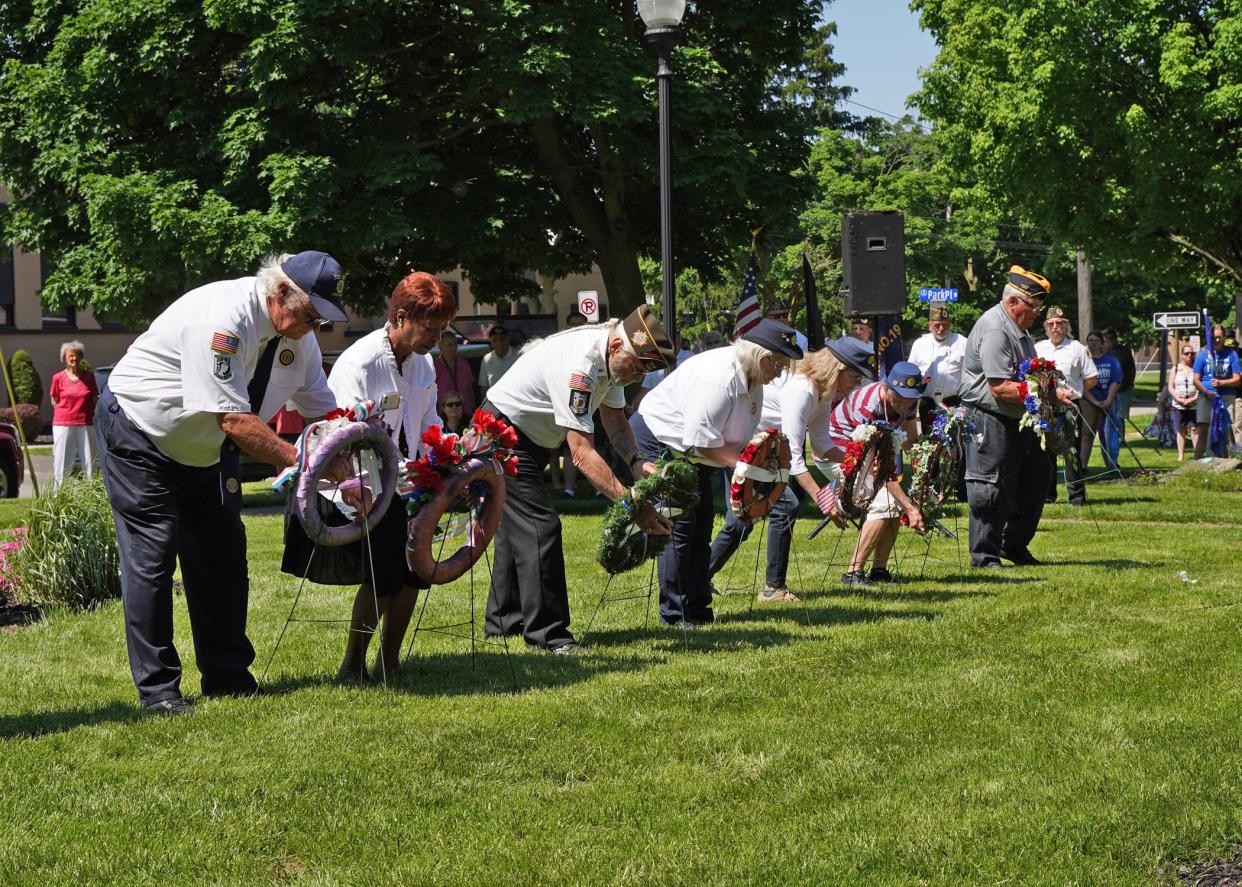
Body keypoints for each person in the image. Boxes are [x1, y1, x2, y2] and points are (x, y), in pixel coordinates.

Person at [95, 250, 348, 714]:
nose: (314, 328)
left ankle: (228, 676)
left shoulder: (300, 337)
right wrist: (305, 462)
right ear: (278, 294)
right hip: (140, 434)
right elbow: (233, 418)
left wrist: (345, 450)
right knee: (152, 560)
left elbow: (323, 409)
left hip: (209, 451)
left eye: (322, 321)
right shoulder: (222, 320)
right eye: (310, 315)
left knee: (223, 557)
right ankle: (159, 693)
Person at [282, 271, 454, 682]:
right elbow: (343, 436)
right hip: (360, 481)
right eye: (430, 328)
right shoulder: (360, 362)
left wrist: (446, 458)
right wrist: (390, 481)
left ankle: (389, 662)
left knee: (415, 570)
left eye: (442, 329)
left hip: (410, 480)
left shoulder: (424, 362)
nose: (436, 338)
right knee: (385, 571)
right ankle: (353, 663)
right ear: (399, 316)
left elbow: (427, 422)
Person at [483, 306, 675, 653]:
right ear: (617, 347)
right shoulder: (581, 367)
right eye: (635, 369)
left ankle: (504, 622)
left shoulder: (611, 363)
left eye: (642, 374)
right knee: (541, 528)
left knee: (515, 530)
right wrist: (632, 504)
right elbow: (582, 453)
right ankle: (549, 636)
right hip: (502, 431)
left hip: (528, 435)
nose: (634, 379)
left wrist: (636, 462)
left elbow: (615, 422)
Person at [631, 319, 803, 627]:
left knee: (701, 528)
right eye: (778, 364)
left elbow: (731, 437)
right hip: (662, 439)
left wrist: (760, 460)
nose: (779, 373)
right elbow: (702, 442)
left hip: (698, 450)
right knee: (679, 528)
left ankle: (698, 609)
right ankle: (676, 614)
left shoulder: (753, 378)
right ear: (761, 356)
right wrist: (746, 468)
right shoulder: (719, 379)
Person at [706, 337, 875, 599]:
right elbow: (796, 459)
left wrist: (858, 461)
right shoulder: (803, 389)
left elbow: (821, 444)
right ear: (839, 369)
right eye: (855, 377)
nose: (857, 386)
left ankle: (701, 578)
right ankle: (772, 588)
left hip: (766, 449)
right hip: (744, 447)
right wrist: (824, 500)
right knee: (774, 508)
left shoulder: (824, 391)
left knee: (744, 519)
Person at [959, 266, 1071, 568]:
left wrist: (1051, 391)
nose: (1037, 314)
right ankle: (984, 556)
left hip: (1019, 418)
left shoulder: (1017, 329)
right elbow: (1000, 388)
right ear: (1013, 303)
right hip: (989, 417)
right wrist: (1046, 395)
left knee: (1038, 476)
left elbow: (1029, 375)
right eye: (1033, 307)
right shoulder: (996, 329)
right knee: (991, 487)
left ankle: (1013, 545)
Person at [823, 362, 926, 585]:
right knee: (885, 501)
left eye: (909, 399)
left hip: (870, 453)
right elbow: (880, 469)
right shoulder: (868, 406)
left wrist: (925, 466)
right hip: (838, 451)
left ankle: (879, 570)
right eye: (898, 399)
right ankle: (852, 573)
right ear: (886, 387)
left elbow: (911, 442)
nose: (904, 405)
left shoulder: (909, 401)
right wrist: (911, 507)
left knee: (893, 503)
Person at [1034, 307, 1097, 504]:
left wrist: (1075, 391)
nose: (1055, 327)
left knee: (1071, 451)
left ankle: (1076, 496)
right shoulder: (1038, 348)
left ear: (1065, 326)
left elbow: (1092, 378)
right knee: (1045, 451)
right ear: (1046, 327)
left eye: (1059, 323)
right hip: (1045, 406)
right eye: (1051, 324)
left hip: (1070, 405)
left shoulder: (1077, 348)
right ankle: (1047, 495)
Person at [48, 340, 100, 488]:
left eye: (77, 356)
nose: (74, 359)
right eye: (71, 356)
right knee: (62, 461)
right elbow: (54, 400)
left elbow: (95, 399)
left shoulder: (89, 377)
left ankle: (91, 495)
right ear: (65, 357)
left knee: (90, 462)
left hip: (86, 423)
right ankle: (58, 496)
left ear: (81, 357)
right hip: (63, 424)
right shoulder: (57, 378)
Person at [907, 304, 966, 432]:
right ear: (929, 325)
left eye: (944, 325)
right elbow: (910, 372)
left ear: (950, 324)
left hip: (954, 403)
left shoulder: (962, 342)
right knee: (929, 446)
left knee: (956, 446)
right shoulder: (919, 344)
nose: (940, 329)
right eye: (937, 325)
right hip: (928, 403)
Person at [1192, 324, 1241, 458]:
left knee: (1224, 430)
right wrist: (1206, 392)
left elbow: (1237, 378)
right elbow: (1195, 379)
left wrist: (1222, 382)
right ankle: (1197, 463)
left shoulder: (1232, 354)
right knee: (1203, 430)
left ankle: (1224, 461)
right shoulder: (1203, 354)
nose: (1217, 340)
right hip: (1206, 396)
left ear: (1224, 338)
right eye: (1214, 337)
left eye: (1220, 337)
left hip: (1226, 397)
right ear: (1209, 337)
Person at [1084, 330, 1123, 469]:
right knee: (1087, 434)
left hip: (1108, 401)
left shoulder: (1111, 361)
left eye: (1096, 340)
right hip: (1089, 402)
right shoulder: (1085, 362)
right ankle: (1083, 466)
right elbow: (1082, 384)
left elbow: (1116, 381)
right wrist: (1094, 401)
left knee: (1107, 434)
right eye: (1090, 340)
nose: (1093, 343)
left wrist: (1108, 400)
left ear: (1101, 343)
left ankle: (1111, 464)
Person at [433, 329, 477, 416]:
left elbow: (469, 388)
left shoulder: (464, 363)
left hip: (465, 412)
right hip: (444, 413)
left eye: (455, 345)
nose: (453, 348)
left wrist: (473, 408)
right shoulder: (434, 366)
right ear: (440, 347)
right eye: (449, 345)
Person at [1102, 327, 1136, 438]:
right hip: (1107, 389)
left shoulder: (1124, 350)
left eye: (1106, 339)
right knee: (1107, 415)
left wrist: (1131, 383)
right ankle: (1109, 437)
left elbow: (1132, 368)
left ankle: (1121, 438)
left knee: (1121, 416)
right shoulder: (1102, 352)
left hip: (1123, 388)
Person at [1168, 341, 1199, 461]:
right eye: (1186, 353)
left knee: (1194, 430)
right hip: (1178, 405)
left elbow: (1200, 386)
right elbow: (1171, 387)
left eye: (1192, 353)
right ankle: (1181, 455)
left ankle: (1197, 455)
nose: (1189, 356)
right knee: (1180, 430)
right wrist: (1178, 399)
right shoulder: (1175, 369)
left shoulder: (1196, 369)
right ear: (1182, 355)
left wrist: (1193, 399)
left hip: (1193, 405)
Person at [478, 324, 518, 397]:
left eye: (502, 340)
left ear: (508, 339)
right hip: (494, 401)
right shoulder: (486, 359)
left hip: (515, 399)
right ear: (490, 341)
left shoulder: (518, 356)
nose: (499, 343)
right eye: (495, 340)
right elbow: (484, 386)